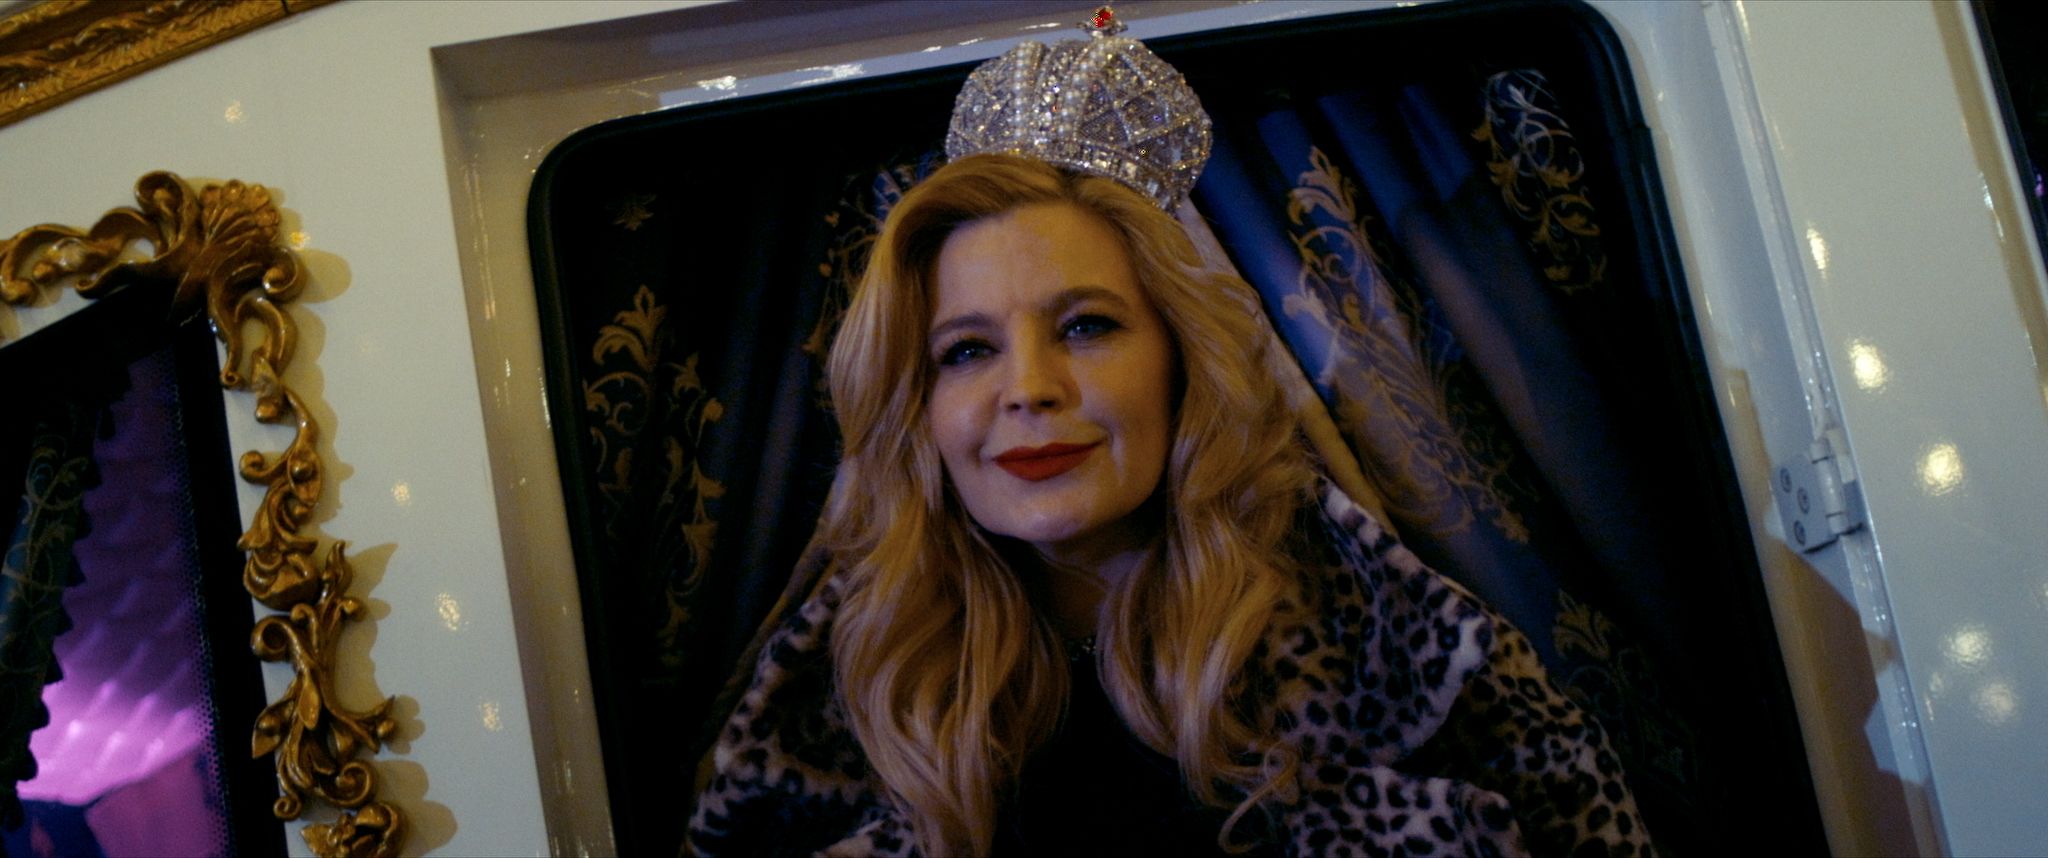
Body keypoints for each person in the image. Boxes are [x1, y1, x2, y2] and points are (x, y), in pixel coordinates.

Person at [686, 10, 1652, 857]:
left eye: (1085, 327)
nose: (1030, 390)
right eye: (967, 351)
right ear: (917, 408)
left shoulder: (1411, 659)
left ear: (1181, 362)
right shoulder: (837, 698)